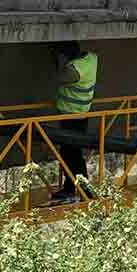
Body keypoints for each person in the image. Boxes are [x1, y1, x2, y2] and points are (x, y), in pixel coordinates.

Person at [49, 42, 98, 203]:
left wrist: (58, 61)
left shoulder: (74, 70)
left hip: (71, 117)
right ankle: (78, 189)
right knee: (73, 153)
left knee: (70, 154)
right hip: (80, 115)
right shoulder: (90, 59)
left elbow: (61, 77)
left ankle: (80, 191)